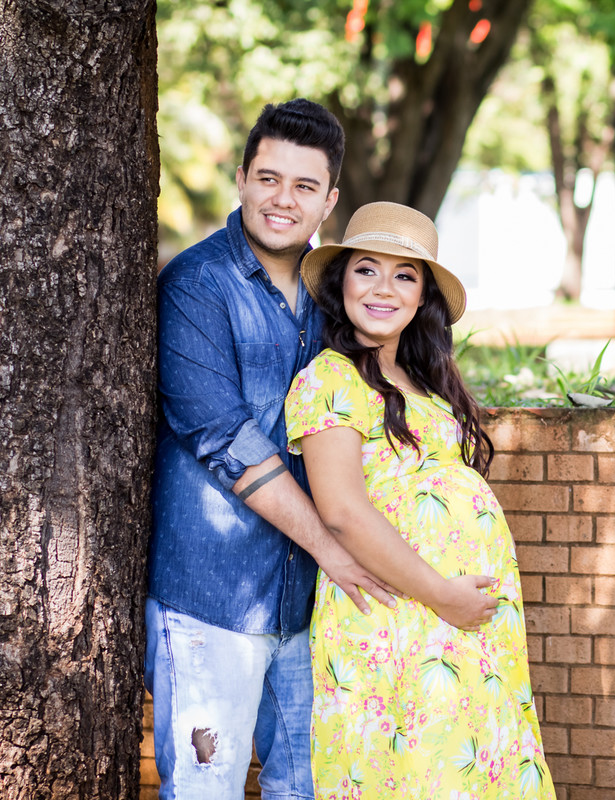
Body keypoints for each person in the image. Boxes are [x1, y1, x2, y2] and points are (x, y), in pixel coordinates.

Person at [147, 101, 497, 799]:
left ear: (329, 200)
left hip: (314, 606)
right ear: (241, 178)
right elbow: (225, 439)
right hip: (214, 595)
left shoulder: (332, 298)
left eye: (304, 187)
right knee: (204, 787)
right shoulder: (197, 286)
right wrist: (337, 548)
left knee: (306, 787)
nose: (283, 200)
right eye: (269, 179)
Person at [285, 202, 555, 799]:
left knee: (473, 766)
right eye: (367, 270)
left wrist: (460, 603)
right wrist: (443, 596)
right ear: (340, 282)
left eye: (404, 275)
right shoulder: (329, 379)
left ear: (422, 296)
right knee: (416, 772)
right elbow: (343, 512)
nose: (384, 288)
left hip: (460, 621)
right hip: (400, 616)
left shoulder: (424, 379)